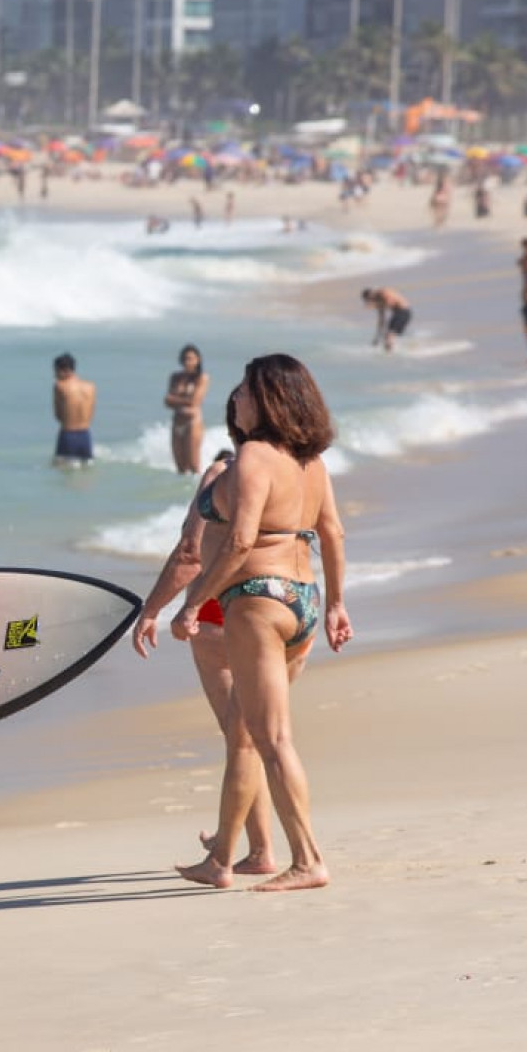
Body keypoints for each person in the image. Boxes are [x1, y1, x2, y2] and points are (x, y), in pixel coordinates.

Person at [171, 355, 353, 890]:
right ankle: (223, 859)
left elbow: (241, 541)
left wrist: (191, 603)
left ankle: (308, 859)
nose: (238, 401)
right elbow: (333, 533)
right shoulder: (311, 461)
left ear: (269, 400)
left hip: (257, 600)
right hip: (304, 599)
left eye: (246, 393)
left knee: (271, 738)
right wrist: (339, 604)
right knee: (247, 731)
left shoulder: (252, 456)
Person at [135, 436, 281, 877]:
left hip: (219, 611)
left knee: (241, 739)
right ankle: (254, 844)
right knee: (254, 734)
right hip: (277, 606)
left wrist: (152, 610)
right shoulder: (288, 473)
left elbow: (190, 552)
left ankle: (246, 851)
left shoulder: (221, 473)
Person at [164, 344, 209, 475]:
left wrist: (175, 399)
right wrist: (182, 401)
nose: (187, 361)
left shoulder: (201, 378)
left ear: (198, 359)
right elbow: (167, 401)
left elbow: (194, 401)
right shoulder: (175, 377)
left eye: (190, 358)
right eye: (185, 358)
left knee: (194, 466)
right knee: (180, 468)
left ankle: (199, 493)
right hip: (177, 422)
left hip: (192, 423)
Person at [51, 353, 97, 466]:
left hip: (68, 435)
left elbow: (58, 415)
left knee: (62, 474)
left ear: (64, 370)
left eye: (56, 371)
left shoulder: (60, 386)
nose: (55, 375)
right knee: (86, 473)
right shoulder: (91, 387)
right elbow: (91, 413)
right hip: (86, 435)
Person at [362, 286, 413, 352]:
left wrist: (374, 305)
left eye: (369, 300)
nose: (371, 301)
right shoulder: (378, 301)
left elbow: (389, 303)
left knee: (389, 335)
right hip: (397, 313)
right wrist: (377, 337)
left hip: (404, 312)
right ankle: (390, 353)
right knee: (387, 336)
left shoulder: (383, 292)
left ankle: (390, 354)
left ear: (371, 295)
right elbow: (382, 320)